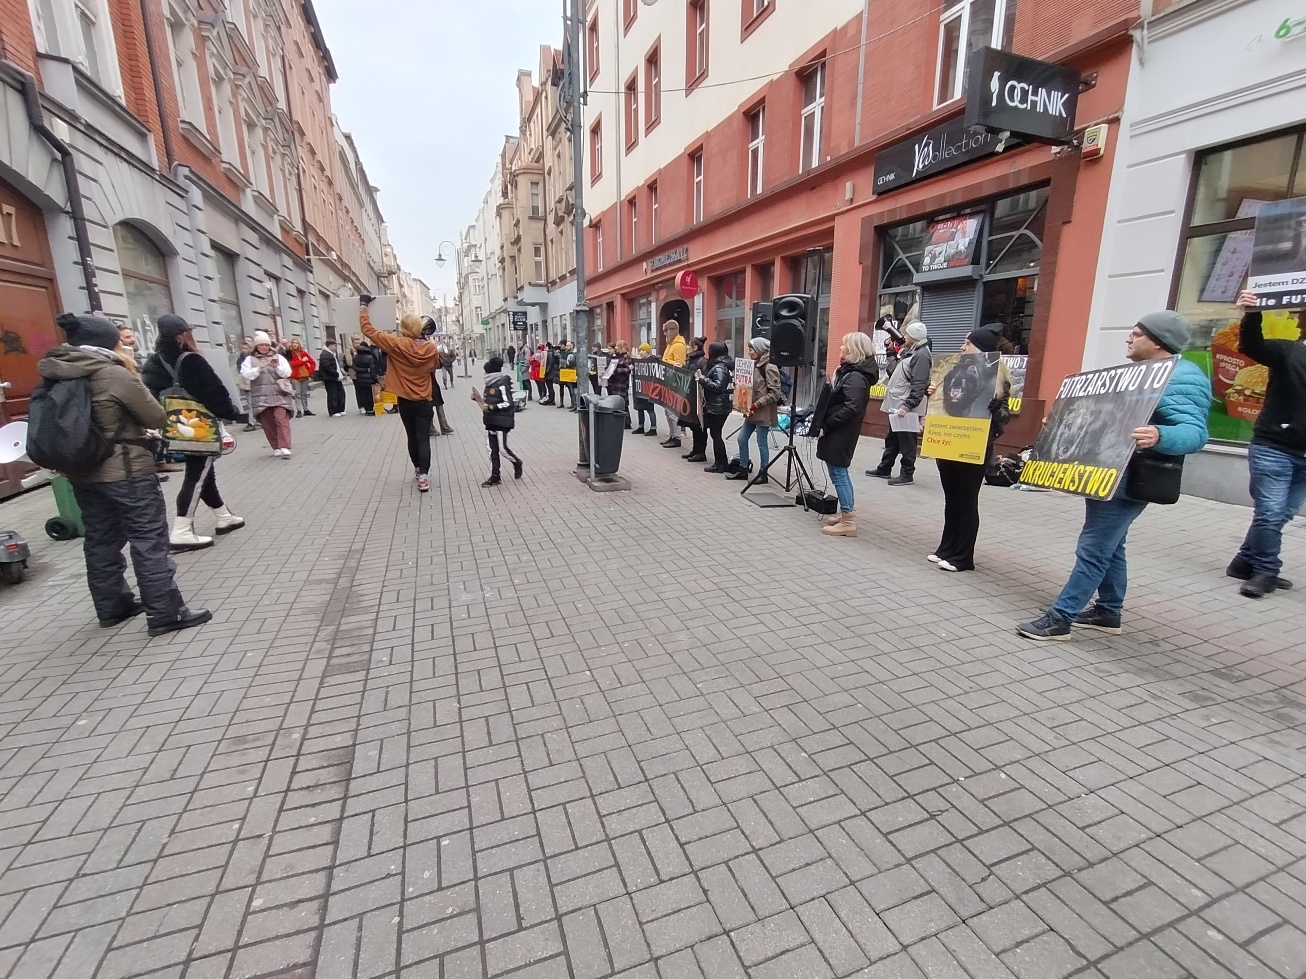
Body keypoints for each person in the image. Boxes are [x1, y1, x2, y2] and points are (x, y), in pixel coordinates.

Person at [1018, 310, 1210, 640]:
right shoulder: (1142, 375)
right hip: (1111, 470)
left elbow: (1195, 432)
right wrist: (1063, 423)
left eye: (1136, 334)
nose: (1128, 338)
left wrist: (1160, 436)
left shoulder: (1183, 377)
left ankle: (1061, 617)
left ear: (1158, 342)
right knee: (1111, 545)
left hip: (1131, 475)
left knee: (1094, 547)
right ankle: (1109, 611)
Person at [38, 314, 211, 637]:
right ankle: (166, 612)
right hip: (126, 470)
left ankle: (112, 607)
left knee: (101, 539)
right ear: (107, 342)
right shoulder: (112, 373)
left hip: (83, 471)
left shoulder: (54, 370)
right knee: (148, 540)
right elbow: (156, 416)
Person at [142, 313, 246, 550]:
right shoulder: (190, 360)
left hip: (174, 426)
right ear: (183, 335)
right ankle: (181, 529)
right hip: (199, 427)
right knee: (196, 476)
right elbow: (214, 392)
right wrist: (232, 413)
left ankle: (223, 516)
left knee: (202, 472)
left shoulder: (152, 362)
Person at [1227, 290, 1306, 598]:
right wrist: (1252, 313)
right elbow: (1252, 346)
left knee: (1280, 514)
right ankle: (1266, 571)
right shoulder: (1289, 351)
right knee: (1270, 513)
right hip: (1274, 447)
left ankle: (1242, 562)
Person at [927, 327, 1011, 569]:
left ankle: (963, 557)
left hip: (975, 446)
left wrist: (997, 409)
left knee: (966, 501)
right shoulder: (955, 370)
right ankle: (947, 548)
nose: (962, 347)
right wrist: (931, 392)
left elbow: (1004, 419)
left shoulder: (998, 379)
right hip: (950, 443)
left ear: (981, 349)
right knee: (951, 500)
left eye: (968, 343)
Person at [358, 297, 439, 492]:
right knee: (423, 439)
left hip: (404, 400)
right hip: (425, 400)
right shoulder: (430, 348)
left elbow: (368, 330)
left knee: (411, 437)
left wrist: (363, 307)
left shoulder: (395, 344)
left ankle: (418, 471)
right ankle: (425, 477)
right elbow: (434, 367)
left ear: (403, 328)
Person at [817, 333, 879, 536]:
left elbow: (852, 407)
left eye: (844, 345)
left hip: (841, 432)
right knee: (837, 472)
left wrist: (827, 423)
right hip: (839, 430)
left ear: (854, 349)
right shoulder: (850, 372)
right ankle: (846, 512)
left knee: (839, 473)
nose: (841, 348)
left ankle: (848, 519)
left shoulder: (856, 377)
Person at [868, 321, 931, 485]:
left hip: (906, 406)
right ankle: (884, 468)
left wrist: (907, 405)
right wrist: (891, 352)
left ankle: (907, 474)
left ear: (915, 337)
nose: (904, 337)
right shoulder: (913, 352)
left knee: (907, 442)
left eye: (908, 334)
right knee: (893, 438)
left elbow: (919, 384)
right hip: (899, 405)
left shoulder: (922, 355)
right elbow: (894, 371)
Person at [727, 337, 782, 482]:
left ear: (760, 350)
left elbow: (775, 393)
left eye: (751, 349)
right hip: (751, 411)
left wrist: (757, 404)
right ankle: (743, 468)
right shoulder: (753, 365)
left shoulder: (769, 367)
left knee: (762, 442)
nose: (749, 352)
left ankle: (763, 473)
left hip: (762, 412)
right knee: (741, 438)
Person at [240, 331, 295, 458]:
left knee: (281, 420)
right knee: (268, 423)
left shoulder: (278, 357)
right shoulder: (250, 359)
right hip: (261, 396)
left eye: (266, 345)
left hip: (279, 393)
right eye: (261, 345)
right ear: (256, 346)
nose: (264, 347)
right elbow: (246, 374)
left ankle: (285, 446)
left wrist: (276, 367)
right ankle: (276, 446)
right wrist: (260, 368)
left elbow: (287, 373)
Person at [473, 356, 524, 486]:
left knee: (502, 449)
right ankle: (495, 475)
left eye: (485, 372)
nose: (484, 374)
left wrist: (491, 407)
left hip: (501, 422)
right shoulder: (489, 384)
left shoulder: (501, 384)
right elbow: (490, 400)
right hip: (490, 421)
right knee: (492, 450)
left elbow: (508, 403)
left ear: (490, 372)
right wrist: (479, 400)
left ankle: (517, 462)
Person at [696, 342, 734, 472]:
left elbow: (718, 386)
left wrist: (702, 379)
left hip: (718, 407)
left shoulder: (719, 367)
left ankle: (721, 463)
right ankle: (720, 462)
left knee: (716, 435)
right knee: (715, 434)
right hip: (719, 405)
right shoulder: (723, 365)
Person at [659, 321, 687, 448]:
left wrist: (665, 362)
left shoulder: (679, 345)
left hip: (674, 383)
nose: (664, 333)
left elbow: (679, 365)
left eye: (666, 331)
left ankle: (676, 437)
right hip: (667, 381)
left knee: (673, 412)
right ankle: (672, 434)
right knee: (667, 411)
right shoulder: (670, 345)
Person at [682, 337, 709, 462]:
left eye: (689, 345)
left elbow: (703, 379)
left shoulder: (702, 362)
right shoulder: (690, 360)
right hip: (690, 397)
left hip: (698, 398)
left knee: (699, 427)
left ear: (695, 348)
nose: (687, 347)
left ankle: (701, 452)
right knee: (693, 426)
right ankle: (695, 449)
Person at [631, 343, 659, 436]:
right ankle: (641, 426)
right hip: (640, 388)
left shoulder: (653, 360)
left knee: (650, 409)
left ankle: (653, 428)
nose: (641, 352)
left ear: (648, 351)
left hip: (648, 389)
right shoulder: (639, 361)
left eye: (643, 350)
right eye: (640, 350)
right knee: (640, 408)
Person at [285, 338, 316, 417]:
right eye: (293, 343)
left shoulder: (303, 353)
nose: (295, 344)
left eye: (296, 343)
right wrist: (302, 361)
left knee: (304, 394)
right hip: (295, 377)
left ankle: (306, 409)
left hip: (304, 376)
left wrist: (310, 371)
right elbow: (292, 364)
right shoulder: (290, 354)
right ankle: (299, 410)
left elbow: (312, 362)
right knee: (297, 393)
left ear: (299, 344)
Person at [318, 339, 348, 417]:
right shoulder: (325, 354)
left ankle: (340, 409)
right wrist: (335, 373)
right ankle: (333, 411)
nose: (335, 348)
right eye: (335, 346)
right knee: (332, 394)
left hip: (335, 377)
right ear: (330, 345)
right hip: (330, 378)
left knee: (340, 393)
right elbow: (327, 367)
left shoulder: (332, 353)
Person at [607, 340, 633, 425]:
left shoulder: (626, 357)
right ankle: (621, 420)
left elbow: (628, 369)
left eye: (618, 346)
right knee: (618, 401)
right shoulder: (617, 357)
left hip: (622, 382)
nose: (616, 348)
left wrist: (617, 370)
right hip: (615, 381)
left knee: (622, 402)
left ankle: (627, 422)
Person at [235, 337, 257, 430]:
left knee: (252, 403)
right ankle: (253, 420)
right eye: (243, 348)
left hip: (253, 383)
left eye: (246, 348)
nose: (244, 350)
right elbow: (240, 370)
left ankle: (252, 421)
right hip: (245, 383)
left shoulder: (253, 358)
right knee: (250, 403)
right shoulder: (241, 358)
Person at [559, 340, 578, 410]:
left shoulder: (575, 353)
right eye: (566, 345)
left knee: (575, 391)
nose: (566, 347)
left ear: (572, 345)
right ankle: (573, 404)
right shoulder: (566, 353)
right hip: (568, 374)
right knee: (571, 391)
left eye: (568, 345)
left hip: (574, 374)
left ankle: (577, 405)